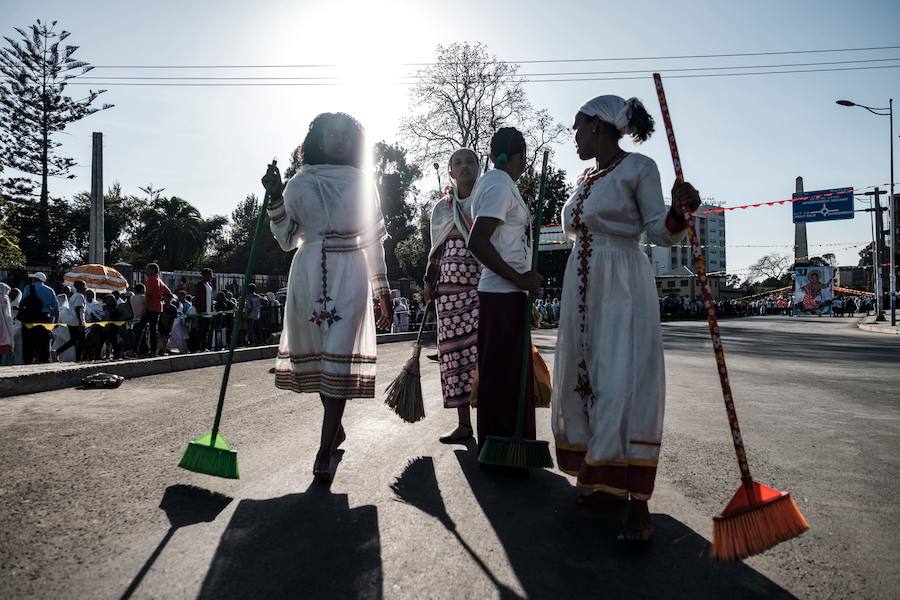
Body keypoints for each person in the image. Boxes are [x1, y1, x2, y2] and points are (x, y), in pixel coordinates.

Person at [550, 94, 701, 542]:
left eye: (577, 127)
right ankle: (605, 479)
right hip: (583, 286)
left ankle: (639, 503)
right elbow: (574, 228)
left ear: (598, 126)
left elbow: (659, 231)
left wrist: (678, 213)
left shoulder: (640, 169)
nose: (573, 136)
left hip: (622, 285)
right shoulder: (586, 177)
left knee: (624, 383)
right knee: (588, 380)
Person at [262, 111, 393, 482]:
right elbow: (287, 238)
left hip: (350, 273)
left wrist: (382, 289)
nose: (338, 140)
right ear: (317, 140)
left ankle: (323, 449)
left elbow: (372, 242)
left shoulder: (363, 183)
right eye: (330, 134)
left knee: (337, 358)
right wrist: (274, 197)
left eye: (345, 135)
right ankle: (335, 427)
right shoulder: (298, 183)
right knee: (323, 364)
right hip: (307, 273)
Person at [467, 127, 543, 457]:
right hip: (502, 293)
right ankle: (499, 449)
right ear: (519, 157)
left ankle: (508, 447)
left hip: (507, 292)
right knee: (503, 374)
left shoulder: (497, 182)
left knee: (506, 372)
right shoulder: (498, 183)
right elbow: (478, 242)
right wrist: (520, 279)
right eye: (524, 157)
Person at [424, 148, 482, 443]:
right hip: (447, 295)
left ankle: (489, 424)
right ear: (450, 171)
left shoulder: (486, 200)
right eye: (458, 163)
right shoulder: (442, 209)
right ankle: (464, 425)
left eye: (470, 161)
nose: (464, 166)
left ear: (479, 167)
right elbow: (436, 251)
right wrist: (428, 282)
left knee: (481, 357)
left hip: (483, 289)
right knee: (454, 358)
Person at [19, 272, 59, 364]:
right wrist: (55, 320)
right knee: (44, 340)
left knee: (28, 340)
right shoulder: (50, 290)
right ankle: (43, 359)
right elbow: (55, 308)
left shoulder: (28, 288)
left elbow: (23, 303)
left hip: (30, 318)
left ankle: (28, 360)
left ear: (36, 279)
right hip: (45, 317)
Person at [134, 263, 170, 356]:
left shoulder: (151, 280)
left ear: (153, 270)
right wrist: (161, 298)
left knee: (140, 328)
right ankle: (153, 351)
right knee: (153, 330)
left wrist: (145, 308)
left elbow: (148, 295)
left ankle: (134, 350)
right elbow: (168, 293)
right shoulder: (159, 280)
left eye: (147, 269)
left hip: (150, 308)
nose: (146, 271)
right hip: (158, 308)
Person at [55, 280, 87, 361]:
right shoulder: (80, 296)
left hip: (72, 322)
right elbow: (78, 309)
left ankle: (57, 352)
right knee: (82, 342)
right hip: (77, 322)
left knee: (73, 340)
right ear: (78, 287)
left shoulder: (74, 295)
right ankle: (78, 358)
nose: (85, 287)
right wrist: (80, 323)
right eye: (84, 285)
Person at [192, 268, 215, 351]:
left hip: (209, 313)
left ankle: (204, 347)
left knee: (206, 331)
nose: (211, 276)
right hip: (202, 313)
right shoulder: (199, 285)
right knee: (201, 331)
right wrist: (199, 313)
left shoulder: (210, 285)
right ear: (205, 275)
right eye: (210, 274)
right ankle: (198, 347)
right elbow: (197, 300)